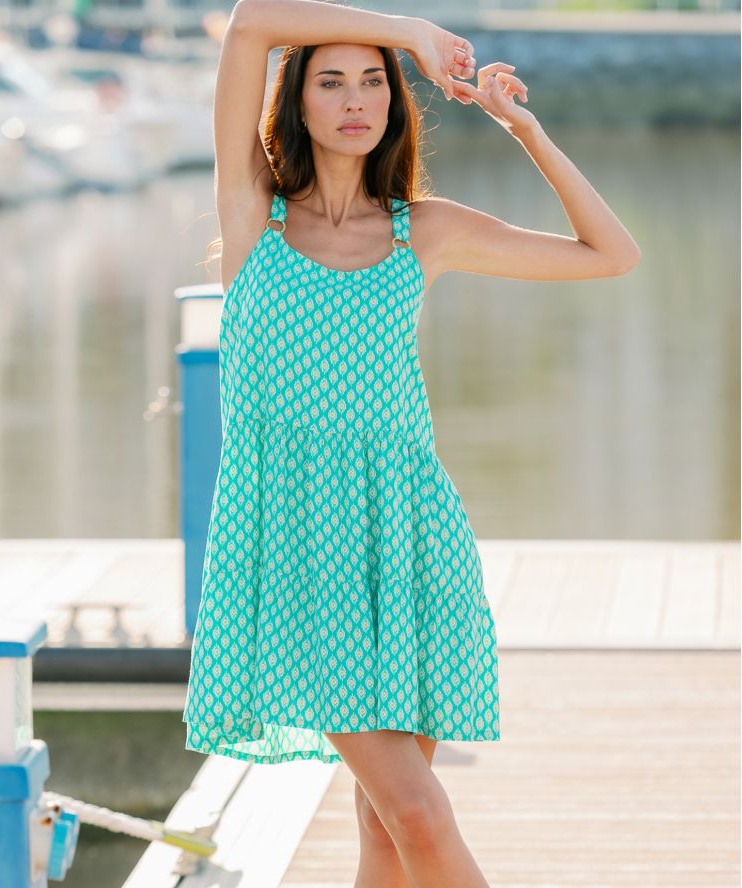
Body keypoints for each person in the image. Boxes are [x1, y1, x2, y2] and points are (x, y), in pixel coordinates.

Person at [182, 2, 642, 886]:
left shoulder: (421, 231)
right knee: (421, 812)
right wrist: (410, 34)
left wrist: (526, 129)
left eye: (373, 81)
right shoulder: (253, 220)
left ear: (395, 104)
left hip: (412, 542)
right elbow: (248, 25)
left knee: (388, 831)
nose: (356, 99)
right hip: (297, 550)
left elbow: (610, 254)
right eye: (331, 80)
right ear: (297, 104)